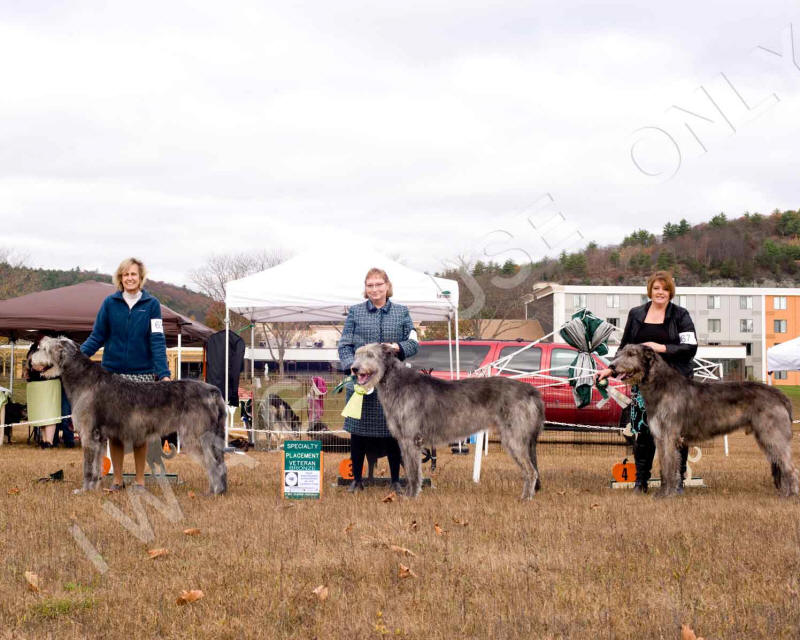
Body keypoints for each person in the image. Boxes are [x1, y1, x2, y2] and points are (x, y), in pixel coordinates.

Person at [596, 271, 697, 493]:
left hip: (675, 384)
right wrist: (611, 369)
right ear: (650, 290)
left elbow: (691, 348)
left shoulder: (681, 315)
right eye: (656, 288)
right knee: (643, 432)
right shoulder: (636, 314)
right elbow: (624, 349)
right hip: (644, 385)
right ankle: (641, 481)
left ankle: (676, 481)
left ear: (671, 292)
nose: (660, 292)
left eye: (665, 288)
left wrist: (661, 347)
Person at [81, 257, 171, 491]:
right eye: (125, 275)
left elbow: (157, 341)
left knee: (141, 431)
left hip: (142, 376)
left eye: (133, 274)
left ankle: (140, 481)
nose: (129, 278)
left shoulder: (152, 305)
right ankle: (118, 480)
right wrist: (78, 358)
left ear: (141, 277)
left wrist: (164, 374)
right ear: (120, 278)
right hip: (112, 375)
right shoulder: (110, 304)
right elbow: (97, 336)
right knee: (115, 432)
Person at [337, 267, 418, 493]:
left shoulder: (402, 313)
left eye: (378, 284)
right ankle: (357, 480)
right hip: (362, 382)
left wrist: (399, 347)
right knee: (358, 432)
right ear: (366, 289)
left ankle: (395, 480)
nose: (374, 289)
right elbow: (344, 345)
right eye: (370, 285)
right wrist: (350, 367)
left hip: (393, 385)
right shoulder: (355, 312)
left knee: (393, 432)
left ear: (387, 286)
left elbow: (413, 344)